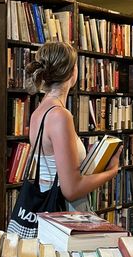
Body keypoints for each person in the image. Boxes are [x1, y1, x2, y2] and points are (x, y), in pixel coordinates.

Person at [24, 41, 121, 211]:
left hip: (47, 204)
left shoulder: (39, 112)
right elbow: (71, 190)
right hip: (64, 211)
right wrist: (111, 171)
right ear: (72, 71)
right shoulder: (60, 116)